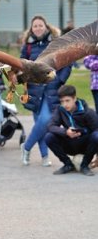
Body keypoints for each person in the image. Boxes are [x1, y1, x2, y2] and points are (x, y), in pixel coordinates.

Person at [20, 15, 72, 167]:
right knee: (40, 124)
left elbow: (68, 63)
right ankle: (44, 156)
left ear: (46, 27)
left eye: (40, 25)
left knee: (46, 121)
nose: (37, 28)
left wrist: (59, 80)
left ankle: (26, 147)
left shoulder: (56, 44)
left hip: (51, 89)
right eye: (35, 26)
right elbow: (22, 66)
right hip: (34, 91)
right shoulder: (28, 47)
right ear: (31, 29)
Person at [45, 85, 98, 176]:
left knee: (96, 136)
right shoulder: (60, 110)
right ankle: (68, 165)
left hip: (85, 146)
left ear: (74, 98)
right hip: (69, 144)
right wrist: (65, 132)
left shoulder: (87, 112)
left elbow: (96, 129)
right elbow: (50, 126)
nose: (65, 104)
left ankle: (84, 166)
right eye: (62, 101)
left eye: (67, 101)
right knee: (49, 137)